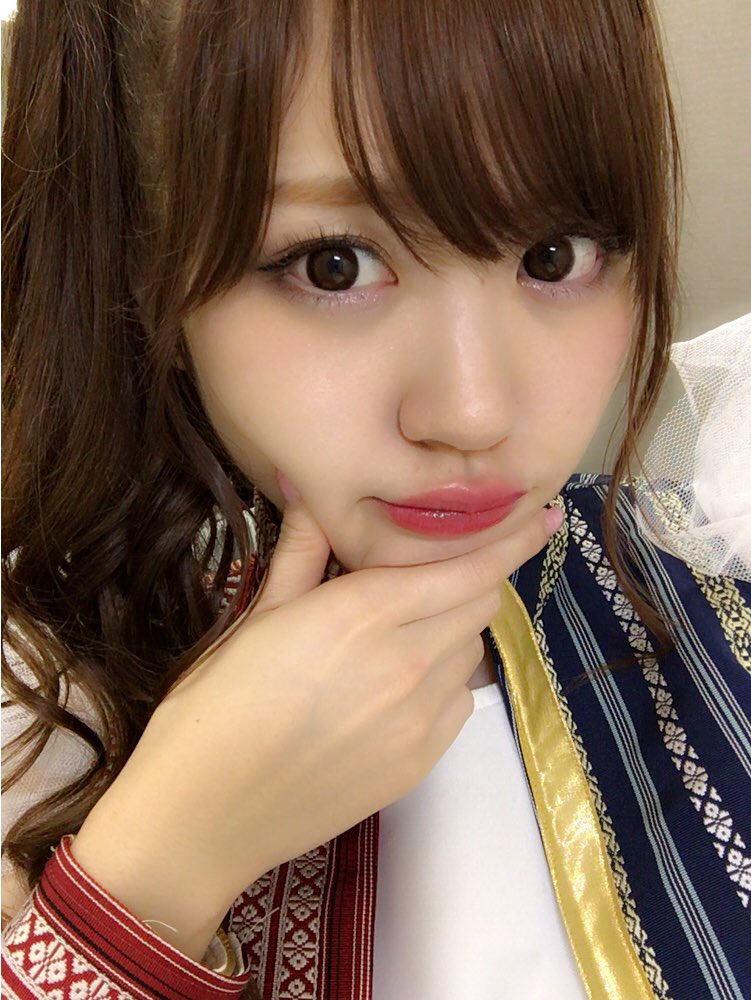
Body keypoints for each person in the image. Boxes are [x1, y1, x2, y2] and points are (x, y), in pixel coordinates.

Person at [1, 0, 749, 998]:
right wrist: (154, 876)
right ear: (142, 263)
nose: (473, 412)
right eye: (334, 264)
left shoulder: (715, 590)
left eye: (554, 256)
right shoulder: (27, 714)